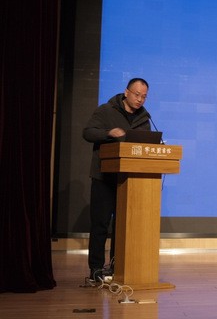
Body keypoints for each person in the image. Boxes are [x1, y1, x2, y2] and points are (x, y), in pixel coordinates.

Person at [82, 78, 151, 282]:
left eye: (144, 96)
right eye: (137, 95)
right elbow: (88, 133)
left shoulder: (144, 118)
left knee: (122, 227)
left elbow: (144, 146)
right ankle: (96, 269)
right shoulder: (106, 110)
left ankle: (116, 266)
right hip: (104, 177)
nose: (140, 99)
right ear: (126, 92)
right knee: (100, 225)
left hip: (128, 180)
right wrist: (108, 133)